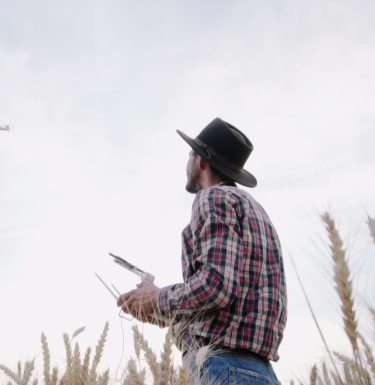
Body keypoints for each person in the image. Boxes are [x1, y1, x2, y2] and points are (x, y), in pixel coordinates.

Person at [117, 118, 286, 385]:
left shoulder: (212, 198)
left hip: (223, 368)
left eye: (189, 155)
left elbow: (216, 287)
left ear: (201, 162)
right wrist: (160, 310)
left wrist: (158, 297)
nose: (186, 165)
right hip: (257, 370)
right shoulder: (256, 211)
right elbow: (229, 303)